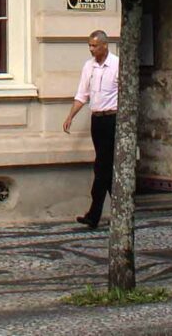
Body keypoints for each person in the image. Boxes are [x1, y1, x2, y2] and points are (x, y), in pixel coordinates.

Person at [60, 29, 118, 229]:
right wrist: (70, 116)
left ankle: (94, 214)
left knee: (102, 165)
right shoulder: (89, 67)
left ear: (104, 45)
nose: (91, 50)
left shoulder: (117, 64)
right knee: (105, 167)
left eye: (94, 46)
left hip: (113, 119)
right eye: (89, 46)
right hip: (97, 120)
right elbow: (82, 95)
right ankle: (121, 208)